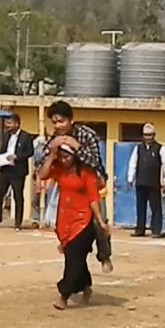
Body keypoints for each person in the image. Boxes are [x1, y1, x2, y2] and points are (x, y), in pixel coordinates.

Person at [40, 136, 111, 311]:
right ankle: (86, 286)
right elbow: (43, 175)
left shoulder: (86, 172)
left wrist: (100, 221)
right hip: (65, 220)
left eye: (68, 156)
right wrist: (51, 155)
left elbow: (93, 198)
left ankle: (63, 294)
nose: (65, 160)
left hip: (83, 220)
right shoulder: (59, 169)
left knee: (73, 258)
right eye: (62, 156)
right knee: (75, 258)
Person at [45, 101, 112, 264]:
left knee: (98, 222)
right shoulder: (55, 139)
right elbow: (44, 163)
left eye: (61, 121)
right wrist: (52, 151)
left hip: (92, 184)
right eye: (54, 122)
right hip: (70, 187)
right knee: (63, 222)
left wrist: (76, 147)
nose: (58, 126)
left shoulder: (86, 135)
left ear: (71, 120)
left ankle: (104, 256)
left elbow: (95, 162)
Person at [0, 114, 33, 228]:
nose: (7, 125)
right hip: (5, 169)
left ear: (16, 124)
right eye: (6, 123)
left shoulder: (25, 136)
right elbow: (3, 149)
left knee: (17, 196)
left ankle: (18, 222)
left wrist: (17, 156)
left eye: (9, 123)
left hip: (17, 170)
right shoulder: (6, 136)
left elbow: (30, 152)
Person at [125, 125, 165, 238]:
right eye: (146, 135)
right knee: (140, 207)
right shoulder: (138, 148)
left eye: (150, 135)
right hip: (141, 182)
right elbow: (133, 163)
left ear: (154, 135)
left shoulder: (160, 148)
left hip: (154, 183)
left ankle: (156, 230)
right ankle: (140, 230)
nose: (148, 137)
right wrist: (130, 179)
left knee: (156, 208)